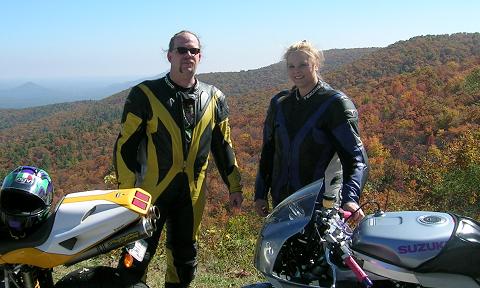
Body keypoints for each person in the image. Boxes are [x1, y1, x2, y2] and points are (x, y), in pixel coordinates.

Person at [113, 30, 243, 288]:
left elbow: (223, 145)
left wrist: (235, 186)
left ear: (200, 56)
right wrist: (126, 192)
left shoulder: (215, 97)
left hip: (191, 196)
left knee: (184, 260)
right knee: (135, 257)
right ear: (169, 55)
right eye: (182, 50)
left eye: (193, 50)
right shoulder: (145, 94)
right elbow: (125, 146)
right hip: (150, 195)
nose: (188, 55)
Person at [254, 40, 368, 221]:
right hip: (282, 205)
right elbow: (269, 151)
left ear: (315, 64)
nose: (296, 71)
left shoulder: (335, 103)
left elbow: (355, 158)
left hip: (320, 208)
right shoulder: (280, 103)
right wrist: (260, 193)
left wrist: (351, 198)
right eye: (291, 66)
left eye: (303, 65)